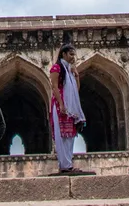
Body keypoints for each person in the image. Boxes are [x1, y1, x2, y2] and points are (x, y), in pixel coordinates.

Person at [49, 44, 87, 174]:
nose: (73, 57)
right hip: (61, 105)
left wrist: (76, 75)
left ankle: (68, 164)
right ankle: (64, 165)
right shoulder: (56, 68)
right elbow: (54, 87)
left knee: (70, 135)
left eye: (74, 54)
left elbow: (76, 89)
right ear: (63, 54)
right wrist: (61, 104)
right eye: (71, 54)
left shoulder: (69, 70)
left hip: (70, 107)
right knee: (62, 135)